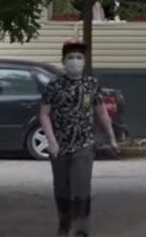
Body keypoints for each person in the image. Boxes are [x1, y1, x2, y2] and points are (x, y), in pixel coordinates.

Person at [40, 38, 119, 237]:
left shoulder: (91, 85)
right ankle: (64, 223)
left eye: (79, 57)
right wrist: (52, 141)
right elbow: (44, 114)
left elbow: (101, 113)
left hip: (84, 143)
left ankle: (82, 226)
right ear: (63, 61)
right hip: (60, 145)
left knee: (82, 187)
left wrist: (111, 138)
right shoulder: (54, 86)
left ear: (85, 61)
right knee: (62, 188)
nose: (75, 61)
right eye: (70, 57)